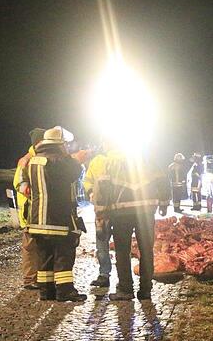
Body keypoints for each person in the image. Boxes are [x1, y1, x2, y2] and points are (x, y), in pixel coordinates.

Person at [19, 126, 86, 301]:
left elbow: (23, 180)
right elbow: (74, 172)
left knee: (45, 257)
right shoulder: (60, 161)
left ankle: (46, 292)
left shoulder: (33, 161)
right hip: (58, 219)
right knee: (64, 254)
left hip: (37, 220)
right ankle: (65, 291)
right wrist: (75, 159)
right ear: (60, 144)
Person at [100, 147, 162, 301]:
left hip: (122, 212)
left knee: (122, 251)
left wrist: (103, 210)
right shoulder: (150, 160)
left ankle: (126, 289)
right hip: (146, 211)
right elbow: (163, 181)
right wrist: (164, 203)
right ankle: (146, 289)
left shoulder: (112, 161)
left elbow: (104, 186)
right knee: (146, 250)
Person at [83, 141, 121, 291]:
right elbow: (88, 181)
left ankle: (122, 277)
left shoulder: (123, 159)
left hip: (118, 209)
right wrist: (91, 192)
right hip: (102, 210)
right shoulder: (97, 161)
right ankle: (104, 274)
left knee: (120, 244)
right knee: (102, 242)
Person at [14, 128, 46, 290]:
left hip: (39, 211)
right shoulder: (26, 161)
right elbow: (20, 185)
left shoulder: (38, 158)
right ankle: (29, 279)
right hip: (30, 212)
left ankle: (39, 277)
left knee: (40, 246)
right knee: (30, 247)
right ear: (38, 142)